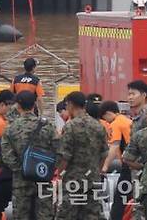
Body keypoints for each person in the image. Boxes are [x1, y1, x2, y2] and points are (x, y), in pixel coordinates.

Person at [1, 91, 57, 220]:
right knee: (45, 216)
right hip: (43, 176)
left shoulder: (11, 128)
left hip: (21, 180)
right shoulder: (47, 126)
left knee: (21, 216)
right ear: (34, 105)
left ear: (18, 106)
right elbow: (58, 150)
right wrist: (48, 168)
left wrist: (21, 169)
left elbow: (7, 156)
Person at [56, 91, 109, 220]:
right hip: (93, 180)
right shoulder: (98, 126)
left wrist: (59, 175)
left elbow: (65, 157)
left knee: (67, 215)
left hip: (72, 180)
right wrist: (96, 170)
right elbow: (104, 154)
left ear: (70, 104)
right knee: (92, 215)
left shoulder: (70, 127)